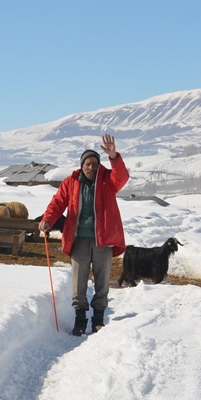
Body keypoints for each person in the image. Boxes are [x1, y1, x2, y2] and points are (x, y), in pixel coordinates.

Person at [39, 133, 130, 335]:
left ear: (99, 165)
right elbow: (57, 203)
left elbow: (122, 177)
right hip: (79, 239)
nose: (91, 167)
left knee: (102, 282)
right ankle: (80, 320)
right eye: (87, 164)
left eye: (94, 164)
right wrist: (47, 219)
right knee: (78, 282)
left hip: (103, 240)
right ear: (82, 165)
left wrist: (114, 157)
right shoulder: (70, 183)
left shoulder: (108, 180)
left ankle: (98, 320)